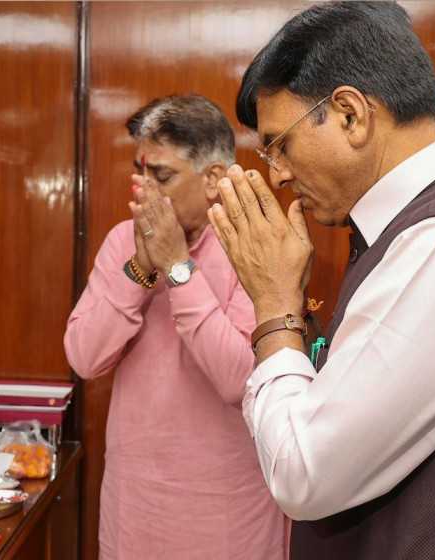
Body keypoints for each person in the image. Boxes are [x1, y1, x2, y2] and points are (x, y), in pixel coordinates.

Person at [207, 3, 435, 558]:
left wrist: (275, 308)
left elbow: (306, 472)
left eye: (280, 144)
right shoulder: (421, 228)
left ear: (350, 113)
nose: (277, 173)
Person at [64, 94, 285, 559]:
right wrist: (140, 272)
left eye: (160, 176)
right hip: (137, 506)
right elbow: (84, 358)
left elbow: (239, 379)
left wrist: (178, 268)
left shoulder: (257, 244)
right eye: (139, 172)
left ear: (213, 181)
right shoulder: (122, 242)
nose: (142, 191)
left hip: (227, 512)